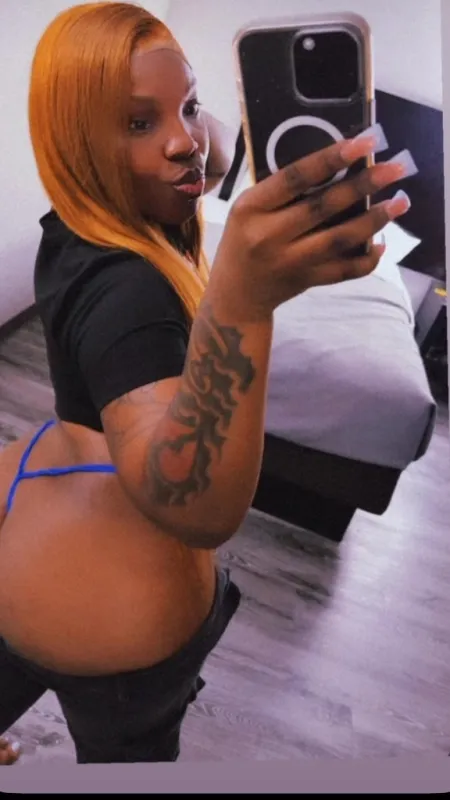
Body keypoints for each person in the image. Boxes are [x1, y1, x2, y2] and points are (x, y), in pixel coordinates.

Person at [0, 0, 411, 765]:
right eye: (137, 123)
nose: (185, 142)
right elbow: (192, 504)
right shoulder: (127, 290)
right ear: (76, 140)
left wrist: (219, 102)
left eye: (187, 107)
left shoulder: (84, 218)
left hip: (28, 509)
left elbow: (211, 151)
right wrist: (242, 302)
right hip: (108, 621)